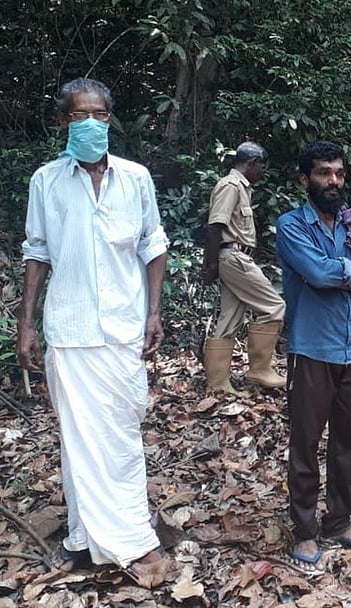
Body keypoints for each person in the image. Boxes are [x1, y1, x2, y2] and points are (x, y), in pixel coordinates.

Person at [16, 78, 171, 584]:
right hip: (70, 327)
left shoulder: (136, 178)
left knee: (121, 436)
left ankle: (89, 538)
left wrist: (153, 313)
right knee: (80, 441)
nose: (91, 124)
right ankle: (126, 541)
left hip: (125, 327)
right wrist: (26, 324)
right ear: (63, 122)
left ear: (111, 119)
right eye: (80, 115)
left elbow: (153, 244)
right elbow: (37, 252)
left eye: (100, 115)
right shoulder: (46, 180)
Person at [276, 141, 351, 574]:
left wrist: (340, 267)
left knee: (350, 441)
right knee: (305, 442)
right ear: (305, 179)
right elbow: (319, 274)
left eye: (339, 174)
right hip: (312, 347)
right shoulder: (292, 225)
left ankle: (340, 521)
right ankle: (305, 530)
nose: (333, 181)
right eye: (324, 173)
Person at [202, 142, 286, 392]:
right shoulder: (231, 186)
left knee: (230, 318)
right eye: (261, 166)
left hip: (232, 256)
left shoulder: (240, 187)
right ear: (251, 163)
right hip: (234, 257)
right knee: (274, 306)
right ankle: (260, 369)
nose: (262, 172)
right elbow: (214, 226)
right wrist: (210, 265)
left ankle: (218, 383)